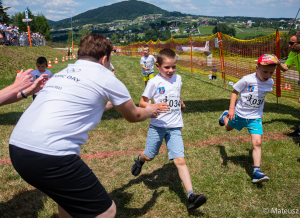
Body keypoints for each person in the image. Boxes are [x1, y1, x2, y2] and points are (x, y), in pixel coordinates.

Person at [9, 34, 160, 218]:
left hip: (18, 148)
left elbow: (85, 104)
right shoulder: (105, 76)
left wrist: (112, 103)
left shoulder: (64, 72)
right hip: (51, 154)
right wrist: (151, 110)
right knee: (106, 211)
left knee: (68, 203)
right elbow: (135, 115)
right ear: (105, 58)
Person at [131, 48, 207, 210]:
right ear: (157, 66)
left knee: (180, 160)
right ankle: (140, 159)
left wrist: (181, 102)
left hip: (174, 127)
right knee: (150, 156)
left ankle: (191, 195)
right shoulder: (154, 82)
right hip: (157, 127)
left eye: (173, 67)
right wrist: (154, 105)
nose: (171, 70)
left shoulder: (178, 79)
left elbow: (176, 92)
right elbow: (142, 103)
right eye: (167, 67)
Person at [219, 54, 278, 184]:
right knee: (228, 128)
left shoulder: (269, 82)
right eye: (265, 72)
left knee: (257, 143)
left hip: (255, 118)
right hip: (239, 114)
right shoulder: (247, 79)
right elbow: (234, 92)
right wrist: (231, 109)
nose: (268, 75)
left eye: (271, 72)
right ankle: (224, 117)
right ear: (257, 67)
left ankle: (257, 171)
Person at [277, 31, 300, 137]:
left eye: (292, 43)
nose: (289, 45)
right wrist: (278, 63)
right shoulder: (293, 53)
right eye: (289, 42)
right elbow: (285, 68)